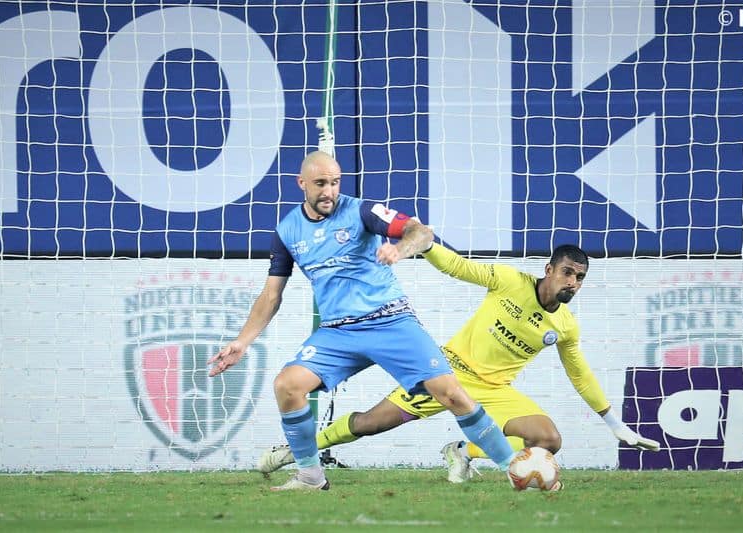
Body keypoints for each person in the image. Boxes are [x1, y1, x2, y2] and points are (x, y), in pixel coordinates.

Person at [208, 150, 517, 491]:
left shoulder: (361, 210)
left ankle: (515, 468)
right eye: (321, 183)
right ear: (302, 184)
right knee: (287, 385)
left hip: (391, 322)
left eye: (335, 182)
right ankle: (311, 477)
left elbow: (420, 232)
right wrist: (242, 341)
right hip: (338, 333)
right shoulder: (287, 230)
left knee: (451, 394)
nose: (329, 191)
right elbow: (271, 295)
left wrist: (400, 250)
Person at [258, 242, 660, 484]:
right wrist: (425, 243)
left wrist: (614, 423)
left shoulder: (565, 326)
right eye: (568, 273)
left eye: (580, 277)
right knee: (368, 424)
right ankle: (295, 450)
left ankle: (463, 451)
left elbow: (579, 373)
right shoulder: (507, 281)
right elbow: (458, 266)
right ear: (549, 269)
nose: (573, 282)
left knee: (549, 441)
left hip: (494, 392)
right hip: (445, 376)